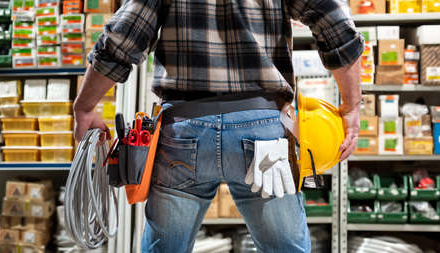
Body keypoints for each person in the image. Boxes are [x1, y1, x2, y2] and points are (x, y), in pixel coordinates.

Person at [74, 0, 364, 251]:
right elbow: (334, 21)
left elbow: (123, 37)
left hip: (185, 131)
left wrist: (85, 106)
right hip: (263, 133)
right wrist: (351, 106)